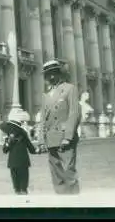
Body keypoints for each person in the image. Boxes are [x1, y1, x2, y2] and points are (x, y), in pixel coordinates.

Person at [36, 59, 82, 195]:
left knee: (69, 172)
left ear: (59, 74)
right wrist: (41, 141)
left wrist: (68, 137)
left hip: (64, 138)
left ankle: (75, 202)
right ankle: (62, 201)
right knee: (56, 175)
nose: (51, 77)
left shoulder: (69, 88)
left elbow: (74, 113)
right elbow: (43, 119)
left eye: (54, 73)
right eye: (48, 74)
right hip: (50, 139)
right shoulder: (45, 95)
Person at [2, 122, 36, 195]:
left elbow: (31, 149)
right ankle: (21, 192)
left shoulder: (23, 136)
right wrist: (9, 141)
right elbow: (5, 150)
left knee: (20, 186)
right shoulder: (10, 138)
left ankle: (21, 192)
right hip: (18, 163)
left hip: (19, 163)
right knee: (18, 186)